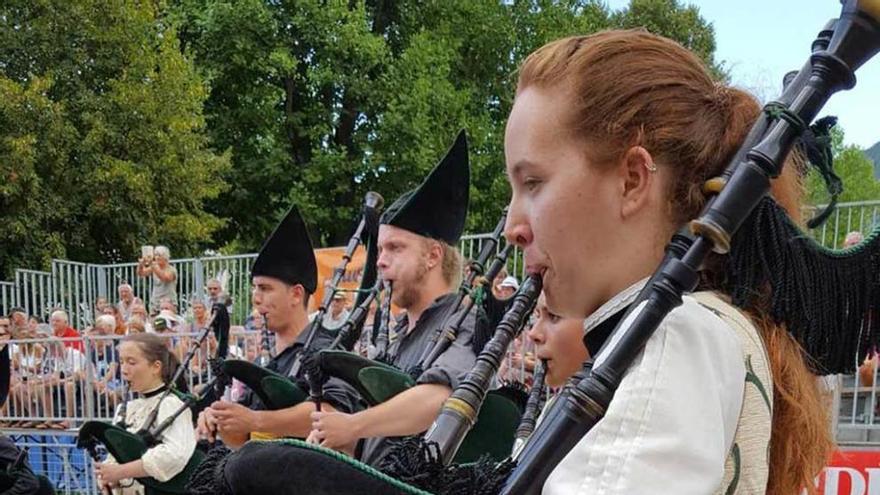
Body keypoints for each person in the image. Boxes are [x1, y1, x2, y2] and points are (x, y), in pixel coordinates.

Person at [502, 30, 830, 494]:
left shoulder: (673, 335)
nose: (513, 226)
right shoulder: (697, 327)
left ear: (633, 180)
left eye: (533, 182)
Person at [307, 130, 476, 466]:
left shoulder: (464, 320)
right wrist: (340, 443)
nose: (381, 260)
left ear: (433, 256)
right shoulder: (400, 336)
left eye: (395, 248)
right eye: (381, 248)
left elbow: (442, 400)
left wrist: (352, 426)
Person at [196, 205, 359, 449]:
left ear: (296, 294)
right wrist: (222, 420)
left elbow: (332, 412)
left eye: (265, 288)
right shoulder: (271, 363)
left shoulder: (326, 350)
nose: (255, 298)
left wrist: (254, 420)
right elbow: (241, 444)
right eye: (254, 288)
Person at [93, 333, 196, 494]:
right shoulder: (125, 408)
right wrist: (108, 478)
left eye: (131, 362)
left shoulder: (171, 404)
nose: (124, 370)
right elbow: (115, 455)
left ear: (156, 366)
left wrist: (121, 472)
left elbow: (175, 455)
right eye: (121, 362)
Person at [137, 246, 178, 314]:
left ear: (166, 257)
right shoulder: (154, 268)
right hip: (155, 303)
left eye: (159, 255)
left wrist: (153, 265)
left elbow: (165, 278)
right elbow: (141, 273)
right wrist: (141, 264)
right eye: (156, 255)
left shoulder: (171, 270)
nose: (157, 257)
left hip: (168, 303)